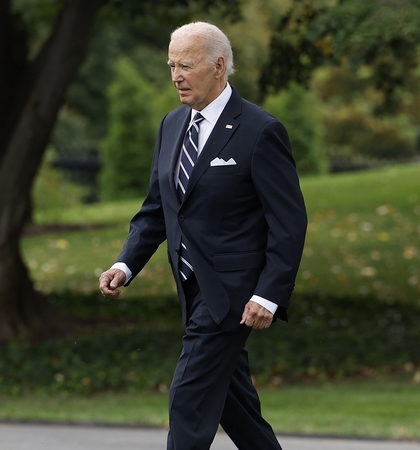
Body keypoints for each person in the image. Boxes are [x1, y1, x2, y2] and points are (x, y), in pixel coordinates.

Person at [98, 22, 307, 450]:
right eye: (171, 65)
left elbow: (289, 222)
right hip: (191, 290)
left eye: (186, 66)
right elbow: (158, 210)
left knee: (189, 398)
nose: (175, 75)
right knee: (236, 406)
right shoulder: (171, 126)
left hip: (234, 292)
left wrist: (269, 293)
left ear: (219, 66)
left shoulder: (260, 130)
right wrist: (125, 264)